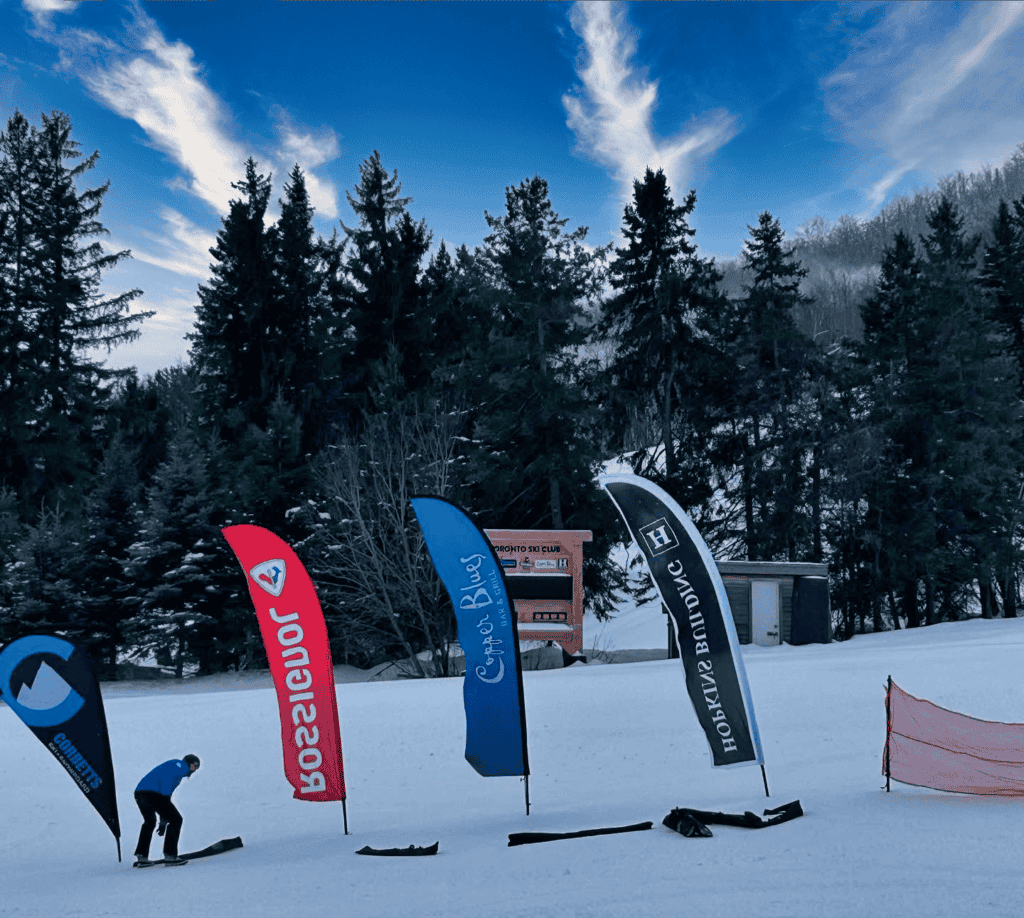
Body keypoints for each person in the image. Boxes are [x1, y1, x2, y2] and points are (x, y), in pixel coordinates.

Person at [132, 754, 200, 867]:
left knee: (149, 822)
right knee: (176, 820)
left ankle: (142, 856)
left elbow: (165, 795)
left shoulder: (175, 766)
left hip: (140, 793)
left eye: (196, 768)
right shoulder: (180, 766)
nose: (194, 770)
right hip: (154, 793)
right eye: (194, 766)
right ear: (188, 763)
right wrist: (165, 802)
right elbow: (166, 783)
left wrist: (163, 821)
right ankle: (170, 855)